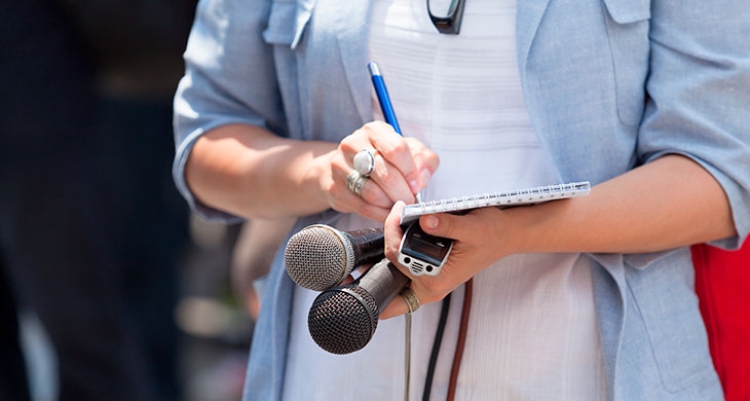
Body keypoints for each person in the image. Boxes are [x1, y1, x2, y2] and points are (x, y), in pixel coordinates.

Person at [173, 0, 750, 399]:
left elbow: (718, 175)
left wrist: (515, 233)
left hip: (591, 372)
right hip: (334, 363)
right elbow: (205, 146)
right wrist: (326, 171)